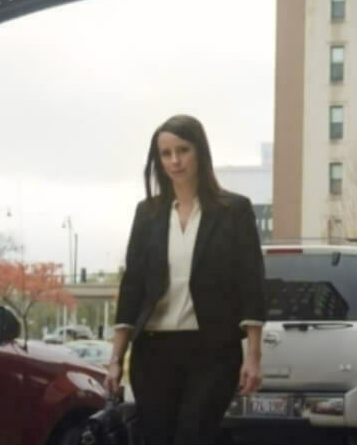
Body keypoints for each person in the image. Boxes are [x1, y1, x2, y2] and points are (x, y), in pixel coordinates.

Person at [104, 114, 266, 445]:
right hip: (153, 352)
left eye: (183, 150)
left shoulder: (234, 210)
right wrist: (115, 360)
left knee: (193, 437)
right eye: (166, 153)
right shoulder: (147, 213)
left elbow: (251, 282)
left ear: (200, 152)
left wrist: (253, 355)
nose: (175, 161)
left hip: (212, 353)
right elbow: (132, 286)